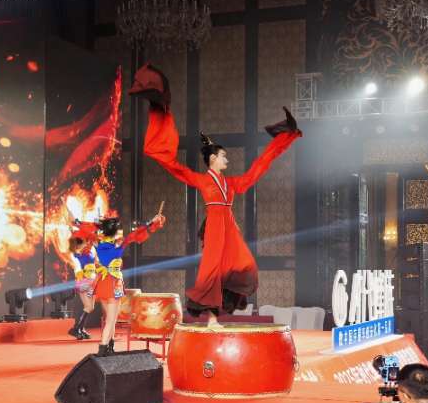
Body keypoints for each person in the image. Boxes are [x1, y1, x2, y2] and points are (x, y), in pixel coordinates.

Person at [131, 63, 302, 327]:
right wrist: (159, 107)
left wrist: (279, 142)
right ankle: (211, 318)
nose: (227, 160)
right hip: (214, 226)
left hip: (229, 226)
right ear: (212, 159)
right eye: (223, 156)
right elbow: (174, 166)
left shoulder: (230, 184)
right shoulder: (202, 180)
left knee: (243, 265)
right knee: (211, 270)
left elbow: (257, 169)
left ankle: (216, 314)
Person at [93, 213, 165, 356]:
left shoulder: (98, 243)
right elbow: (135, 235)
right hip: (113, 283)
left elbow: (88, 229)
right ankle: (102, 349)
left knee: (110, 319)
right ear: (115, 231)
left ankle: (109, 348)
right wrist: (152, 222)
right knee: (111, 320)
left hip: (102, 283)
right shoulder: (119, 244)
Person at [67, 233, 97, 340]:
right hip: (84, 282)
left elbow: (96, 262)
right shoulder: (74, 255)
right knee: (89, 306)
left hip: (93, 281)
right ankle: (77, 328)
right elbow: (77, 270)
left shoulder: (91, 248)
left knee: (90, 307)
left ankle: (80, 328)